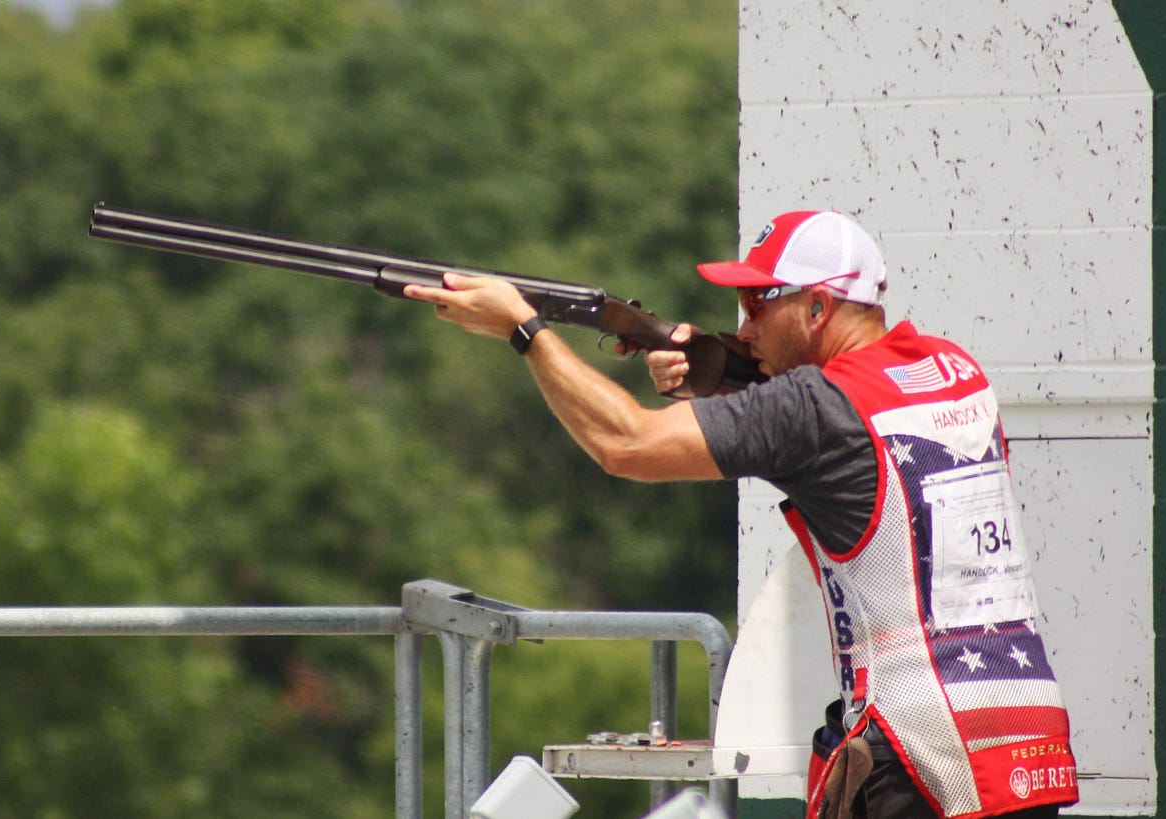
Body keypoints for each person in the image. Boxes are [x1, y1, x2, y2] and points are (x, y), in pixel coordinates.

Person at [404, 210, 1077, 819]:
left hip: (921, 756)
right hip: (1020, 737)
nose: (746, 323)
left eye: (759, 302)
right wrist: (720, 376)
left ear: (817, 305)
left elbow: (625, 443)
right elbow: (854, 411)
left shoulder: (812, 410)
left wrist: (525, 330)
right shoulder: (955, 369)